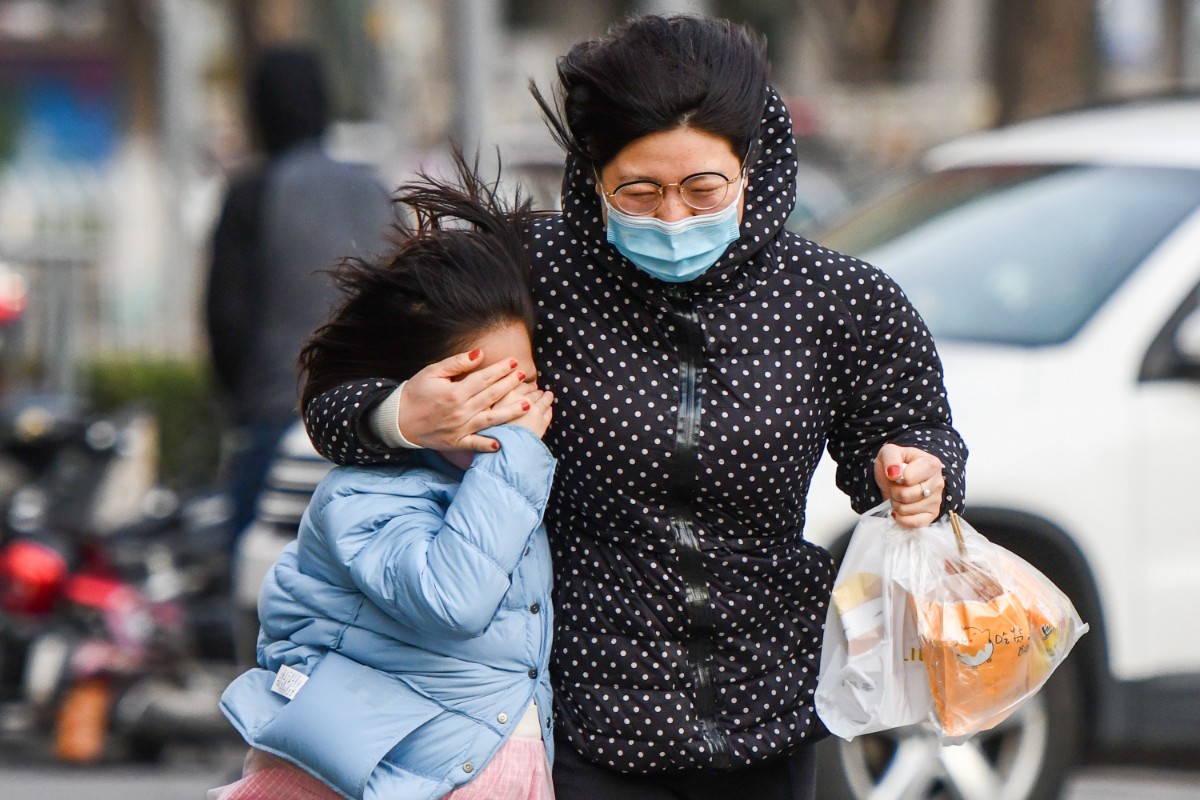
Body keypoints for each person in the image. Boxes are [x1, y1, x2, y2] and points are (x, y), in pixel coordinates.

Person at [303, 15, 968, 800]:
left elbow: (912, 434)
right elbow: (331, 405)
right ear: (591, 176)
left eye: (702, 189)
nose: (674, 219)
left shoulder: (839, 300)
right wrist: (400, 416)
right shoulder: (528, 274)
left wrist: (919, 473)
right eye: (640, 192)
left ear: (753, 164)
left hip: (773, 708)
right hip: (574, 717)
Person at [213, 160, 557, 800]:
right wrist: (512, 456)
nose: (518, 407)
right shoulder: (365, 495)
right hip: (399, 773)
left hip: (486, 758)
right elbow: (452, 598)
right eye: (488, 388)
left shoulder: (500, 483)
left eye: (528, 382)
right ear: (426, 395)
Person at [204, 46, 394, 547]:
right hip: (372, 424)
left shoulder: (252, 193)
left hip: (277, 416)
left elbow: (226, 316)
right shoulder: (374, 191)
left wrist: (238, 402)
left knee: (258, 584)